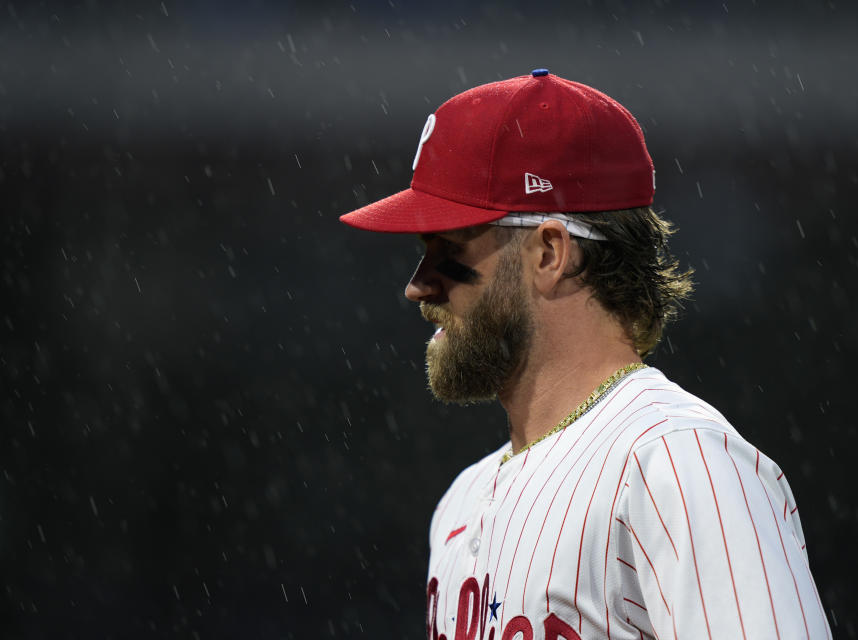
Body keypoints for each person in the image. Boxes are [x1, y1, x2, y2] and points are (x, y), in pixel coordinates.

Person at [340, 69, 831, 640]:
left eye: (448, 249)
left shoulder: (678, 463)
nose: (418, 286)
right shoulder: (461, 502)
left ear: (550, 252)